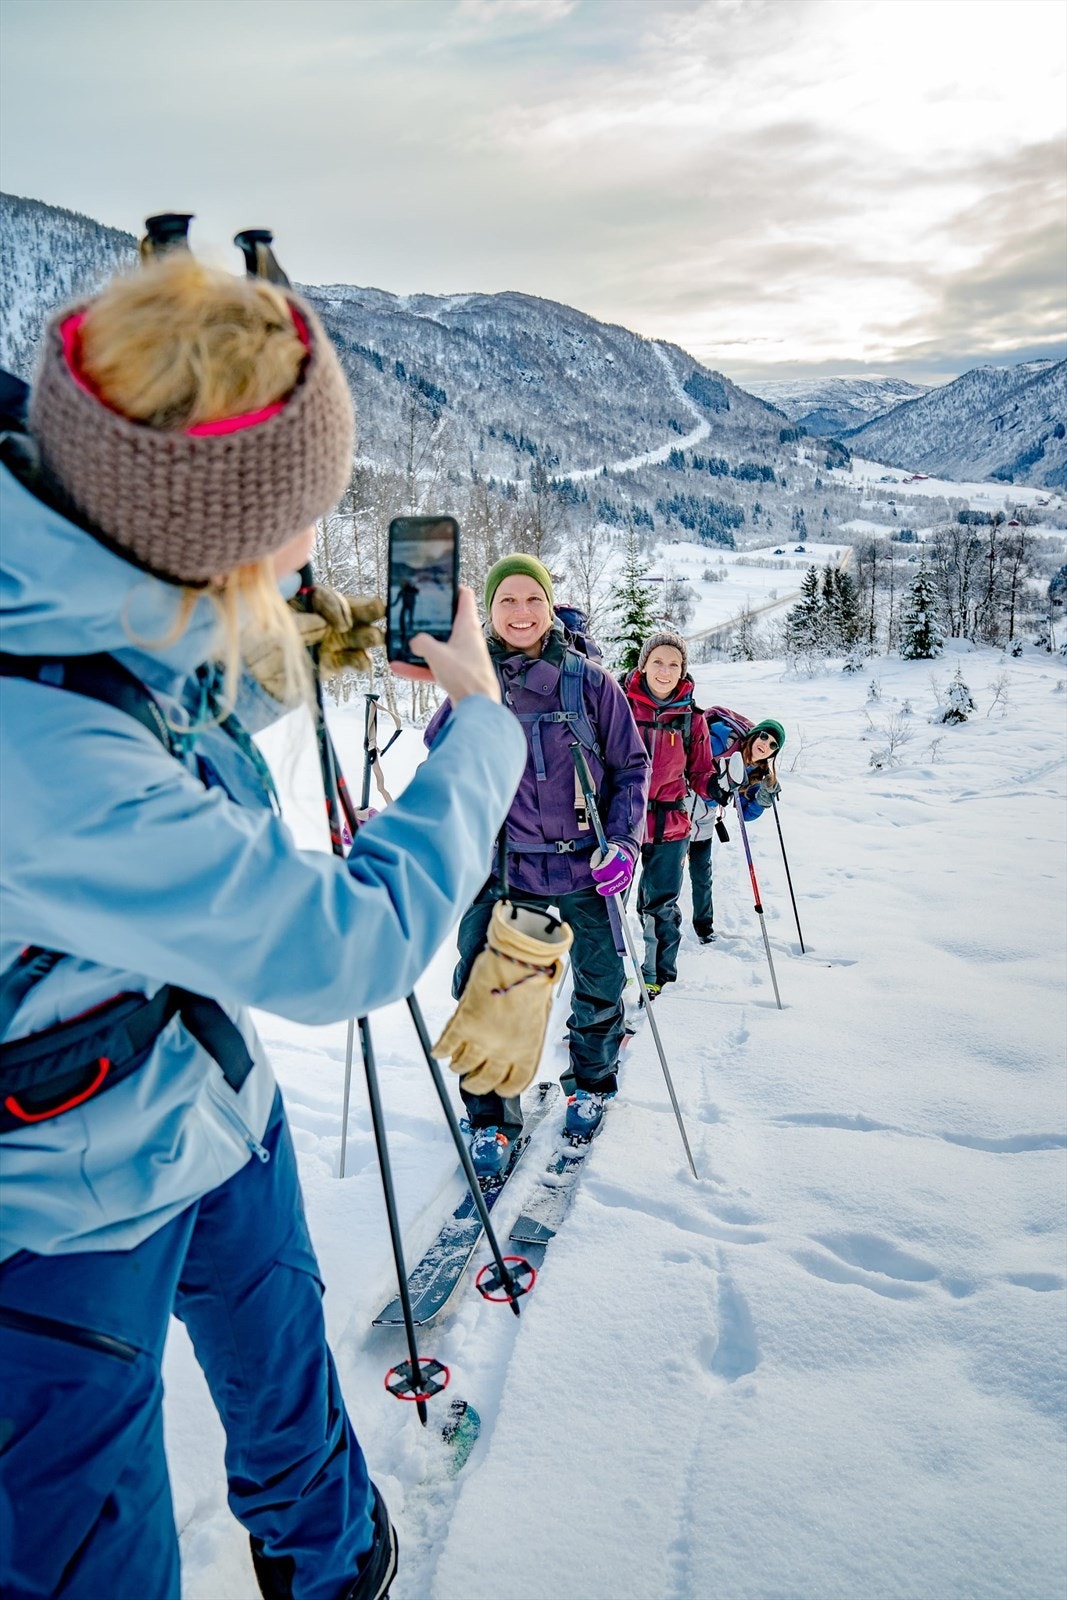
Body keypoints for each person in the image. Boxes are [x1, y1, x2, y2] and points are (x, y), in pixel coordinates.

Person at [0, 253, 527, 1600]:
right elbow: (342, 945)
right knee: (82, 1553)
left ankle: (335, 1561)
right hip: (55, 1204)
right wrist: (479, 727)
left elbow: (153, 694)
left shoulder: (76, 545)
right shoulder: (39, 763)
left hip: (204, 1100)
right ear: (215, 525)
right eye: (300, 520)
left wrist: (313, 650)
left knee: (287, 1397)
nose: (312, 545)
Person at [425, 554, 649, 1167]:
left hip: (586, 862)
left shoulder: (591, 683)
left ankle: (592, 1084)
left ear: (549, 606)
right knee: (496, 992)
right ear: (491, 612)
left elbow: (632, 767)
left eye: (532, 599)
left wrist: (625, 843)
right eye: (507, 601)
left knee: (599, 984)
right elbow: (441, 769)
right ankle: (494, 1121)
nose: (521, 612)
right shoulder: (476, 685)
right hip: (508, 868)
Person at [622, 631, 714, 998]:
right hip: (622, 822)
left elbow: (702, 772)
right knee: (609, 904)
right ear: (643, 665)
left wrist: (718, 786)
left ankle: (657, 977)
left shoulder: (692, 719)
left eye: (674, 664)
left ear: (683, 671)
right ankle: (605, 975)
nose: (665, 670)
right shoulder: (620, 706)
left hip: (670, 825)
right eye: (658, 661)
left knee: (660, 906)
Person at [687, 715, 785, 942]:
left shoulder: (757, 772)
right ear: (754, 734)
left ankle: (704, 929)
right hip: (680, 809)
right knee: (667, 872)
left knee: (702, 874)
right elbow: (692, 768)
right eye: (764, 736)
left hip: (704, 820)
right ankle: (652, 920)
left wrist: (762, 799)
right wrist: (719, 782)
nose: (765, 745)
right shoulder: (721, 742)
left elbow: (746, 815)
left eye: (773, 745)